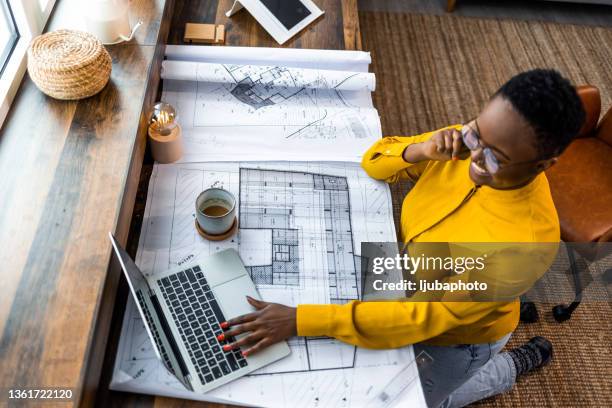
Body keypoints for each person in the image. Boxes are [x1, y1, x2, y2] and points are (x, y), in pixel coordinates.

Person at [217, 69, 585, 407]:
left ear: (543, 165)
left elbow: (417, 317)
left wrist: (298, 320)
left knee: (417, 402)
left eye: (494, 157)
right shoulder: (468, 141)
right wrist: (420, 150)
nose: (472, 156)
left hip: (458, 339)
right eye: (475, 133)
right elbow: (374, 160)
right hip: (414, 270)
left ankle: (509, 366)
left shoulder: (523, 247)